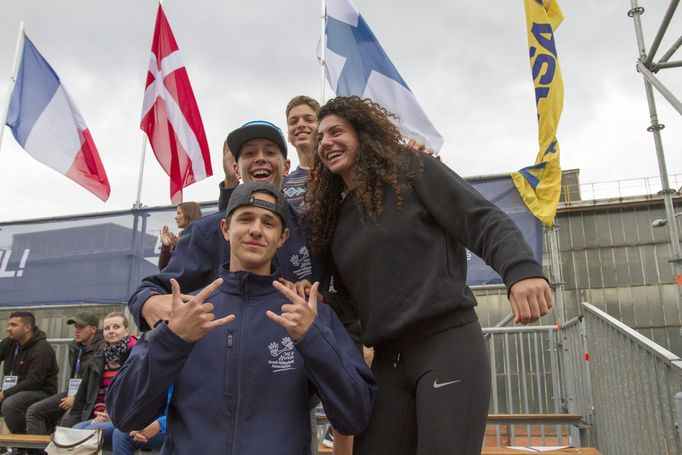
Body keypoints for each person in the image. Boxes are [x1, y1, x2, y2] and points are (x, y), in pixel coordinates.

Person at [305, 96, 554, 455]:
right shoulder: (336, 220)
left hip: (446, 343)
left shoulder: (412, 168)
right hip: (389, 361)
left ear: (363, 132)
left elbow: (481, 219)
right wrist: (319, 306)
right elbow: (351, 301)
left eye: (336, 131)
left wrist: (521, 271)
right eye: (320, 138)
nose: (326, 142)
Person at [108, 182, 377, 454]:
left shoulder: (306, 315)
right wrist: (171, 340)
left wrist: (314, 340)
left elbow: (354, 415)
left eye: (268, 223)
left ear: (283, 237)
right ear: (225, 229)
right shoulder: (187, 311)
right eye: (246, 218)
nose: (256, 230)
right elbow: (125, 415)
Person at [128, 120, 313, 332]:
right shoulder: (205, 232)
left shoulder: (310, 230)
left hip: (291, 358)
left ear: (287, 167)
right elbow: (152, 289)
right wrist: (148, 302)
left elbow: (333, 295)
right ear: (236, 168)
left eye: (270, 152)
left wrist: (314, 294)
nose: (260, 158)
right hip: (220, 355)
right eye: (249, 154)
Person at [62, 312, 137, 449]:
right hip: (101, 414)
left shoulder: (138, 355)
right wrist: (101, 413)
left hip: (126, 417)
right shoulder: (98, 358)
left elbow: (138, 394)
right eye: (107, 328)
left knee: (83, 434)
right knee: (75, 428)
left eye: (116, 327)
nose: (111, 331)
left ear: (126, 330)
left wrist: (112, 415)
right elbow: (88, 394)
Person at [25, 312, 104, 435]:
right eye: (75, 327)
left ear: (93, 329)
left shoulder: (102, 348)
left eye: (81, 327)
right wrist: (72, 395)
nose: (77, 331)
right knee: (34, 411)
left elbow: (97, 383)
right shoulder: (75, 347)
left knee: (66, 420)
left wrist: (77, 398)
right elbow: (75, 376)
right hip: (72, 391)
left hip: (88, 396)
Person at [0, 311, 58, 435]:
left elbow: (34, 382)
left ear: (27, 328)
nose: (8, 329)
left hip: (40, 392)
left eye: (13, 325)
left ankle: (24, 445)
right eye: (9, 325)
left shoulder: (42, 348)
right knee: (10, 400)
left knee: (10, 404)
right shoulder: (10, 343)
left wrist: (4, 394)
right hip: (15, 390)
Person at [111, 386, 171, 455]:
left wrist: (160, 424)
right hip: (147, 419)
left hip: (173, 428)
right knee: (97, 430)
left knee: (121, 434)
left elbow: (184, 414)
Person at [158, 201, 202, 270]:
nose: (176, 217)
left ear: (189, 214)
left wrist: (182, 246)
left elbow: (196, 265)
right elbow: (164, 268)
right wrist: (166, 246)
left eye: (179, 213)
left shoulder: (202, 236)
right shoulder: (180, 237)